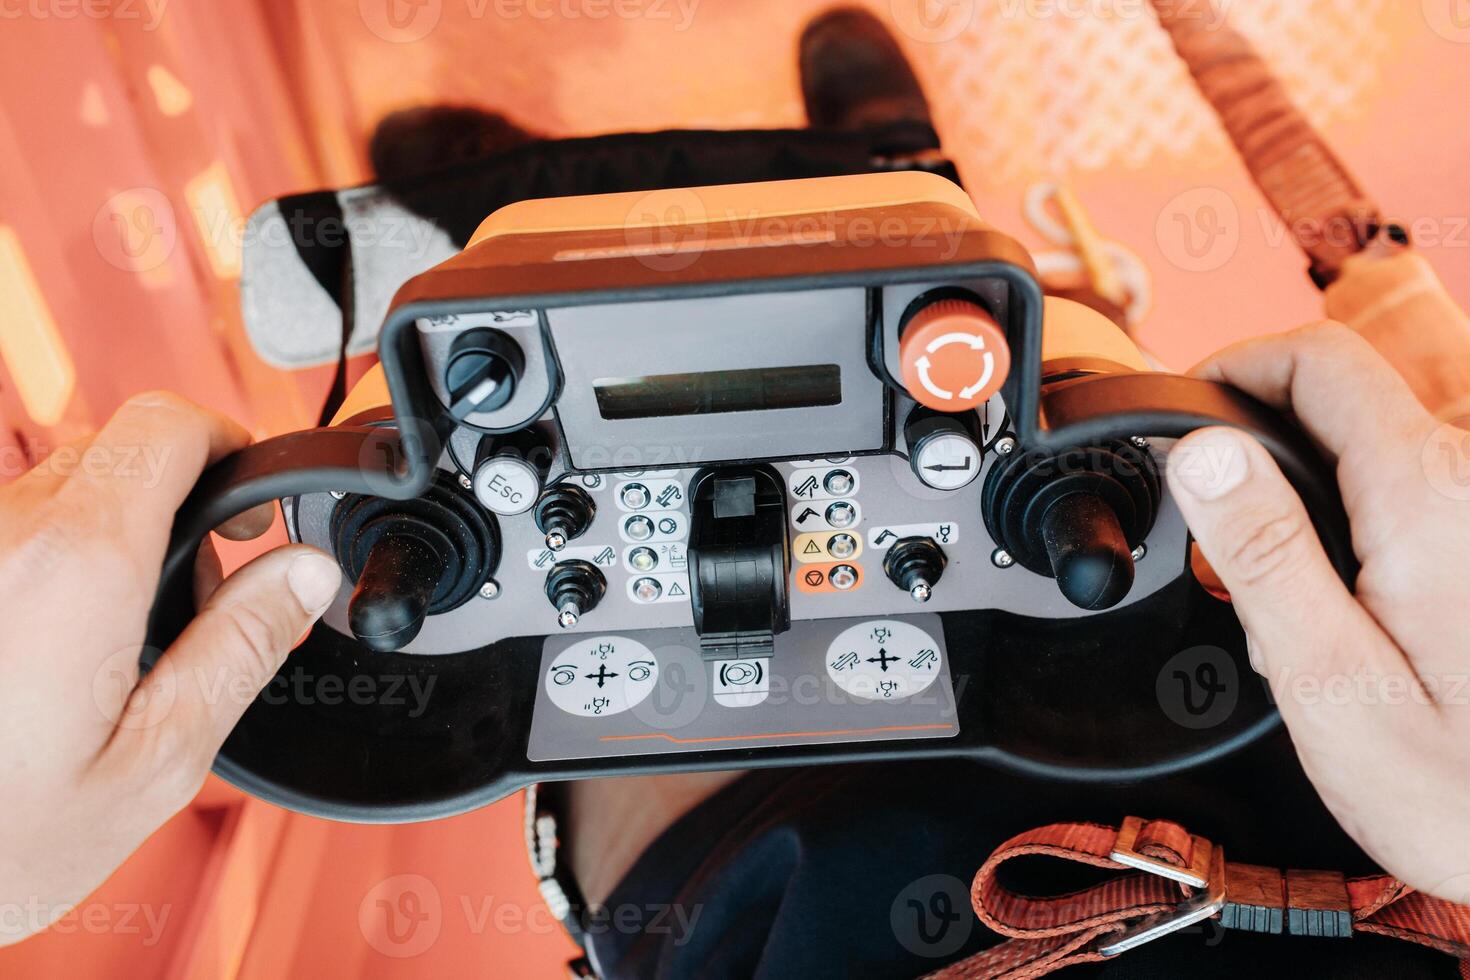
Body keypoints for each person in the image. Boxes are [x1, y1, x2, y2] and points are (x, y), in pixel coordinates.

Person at [4, 11, 1469, 978]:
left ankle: (508, 204)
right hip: (1249, 760)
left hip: (743, 866)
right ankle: (891, 158)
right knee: (992, 321)